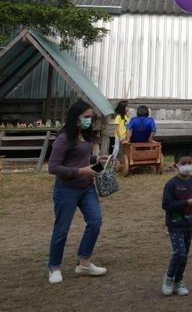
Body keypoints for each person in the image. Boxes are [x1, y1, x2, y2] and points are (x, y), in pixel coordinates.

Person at [46, 100, 109, 284]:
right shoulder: (64, 138)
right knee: (62, 229)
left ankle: (84, 262)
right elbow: (53, 167)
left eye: (91, 117)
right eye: (86, 117)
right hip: (67, 189)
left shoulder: (85, 136)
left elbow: (80, 157)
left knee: (95, 221)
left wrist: (97, 158)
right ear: (76, 118)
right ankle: (54, 267)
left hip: (87, 187)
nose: (90, 120)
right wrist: (80, 171)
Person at [161, 151, 192, 296]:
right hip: (175, 224)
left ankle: (179, 281)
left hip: (189, 223)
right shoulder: (171, 184)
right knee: (179, 252)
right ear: (176, 165)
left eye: (189, 163)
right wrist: (185, 203)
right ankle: (169, 277)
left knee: (185, 255)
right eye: (183, 164)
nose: (187, 166)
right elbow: (166, 205)